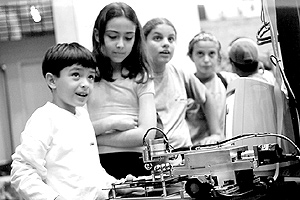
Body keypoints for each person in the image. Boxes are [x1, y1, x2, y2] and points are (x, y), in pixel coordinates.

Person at [10, 42, 117, 200]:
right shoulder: (44, 118)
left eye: (91, 77)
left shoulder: (83, 116)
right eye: (76, 75)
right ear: (52, 81)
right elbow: (22, 171)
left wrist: (116, 187)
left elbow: (92, 171)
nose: (85, 84)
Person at [87, 2, 157, 179]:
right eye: (113, 36)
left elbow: (147, 134)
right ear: (98, 35)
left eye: (128, 38)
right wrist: (112, 123)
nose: (120, 44)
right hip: (95, 165)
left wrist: (95, 138)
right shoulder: (85, 74)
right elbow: (74, 132)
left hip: (137, 163)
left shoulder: (142, 75)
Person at [143, 18, 222, 150]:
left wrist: (216, 133)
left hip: (184, 152)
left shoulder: (180, 74)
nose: (166, 44)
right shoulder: (137, 79)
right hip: (155, 155)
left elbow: (207, 97)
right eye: (157, 38)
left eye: (171, 39)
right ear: (143, 42)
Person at [185, 31, 238, 145]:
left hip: (226, 146)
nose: (206, 60)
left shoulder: (229, 81)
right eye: (200, 53)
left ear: (219, 56)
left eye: (211, 53)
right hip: (196, 148)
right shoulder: (185, 86)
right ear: (191, 56)